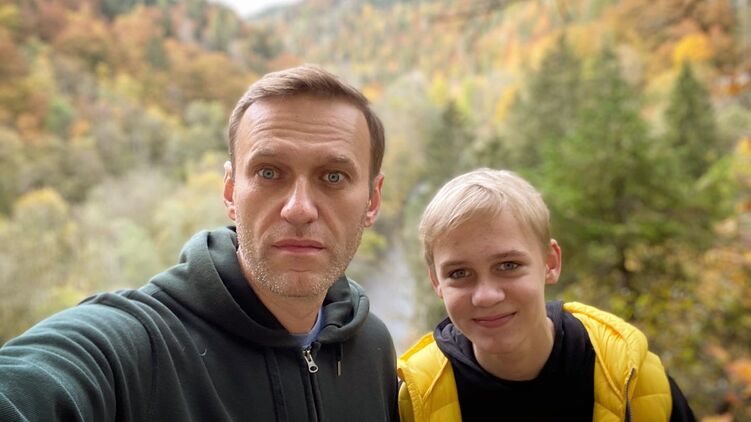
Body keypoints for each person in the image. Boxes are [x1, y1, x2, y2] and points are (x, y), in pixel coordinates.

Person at [0, 64, 399, 421]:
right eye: (269, 173)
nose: (299, 209)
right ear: (230, 192)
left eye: (333, 177)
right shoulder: (141, 351)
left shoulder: (372, 348)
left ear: (372, 200)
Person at [397, 168, 696, 421]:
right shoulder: (418, 401)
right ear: (436, 281)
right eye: (459, 273)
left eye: (508, 265)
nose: (486, 296)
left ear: (550, 263)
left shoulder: (633, 381)